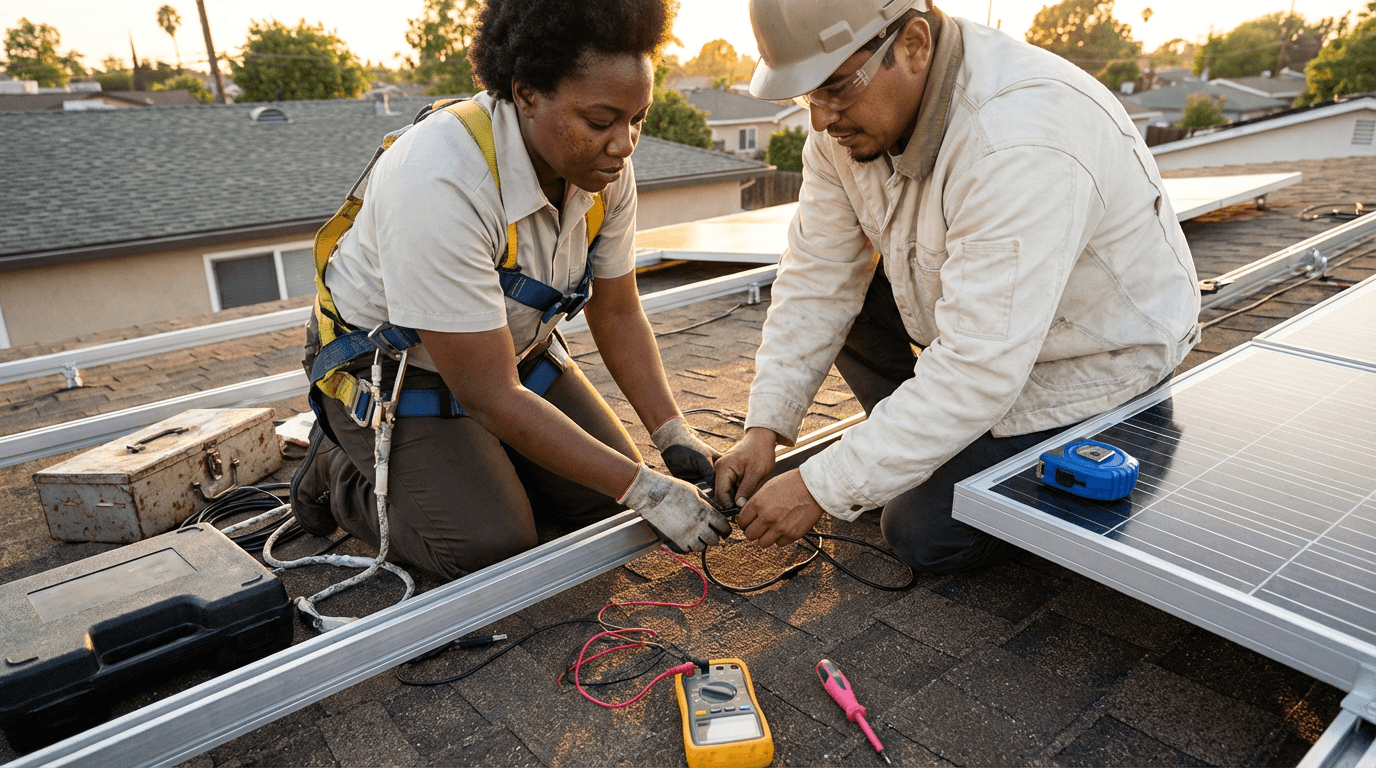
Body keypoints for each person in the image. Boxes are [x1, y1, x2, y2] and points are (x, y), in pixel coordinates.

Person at [714, 0, 1201, 573]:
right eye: (805, 96)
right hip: (993, 337)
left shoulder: (1019, 138)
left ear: (915, 45)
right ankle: (919, 449)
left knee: (919, 535)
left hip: (1091, 366)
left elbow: (978, 363)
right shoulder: (845, 126)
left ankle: (928, 456)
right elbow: (814, 278)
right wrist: (764, 428)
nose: (820, 119)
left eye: (836, 88)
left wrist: (822, 487)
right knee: (849, 304)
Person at [290, 0, 730, 581]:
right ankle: (334, 470)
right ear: (526, 94)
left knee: (600, 504)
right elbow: (490, 394)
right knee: (492, 545)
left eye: (637, 119)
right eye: (601, 121)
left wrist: (672, 434)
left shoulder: (603, 174)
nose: (624, 144)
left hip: (513, 352)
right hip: (400, 370)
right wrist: (646, 489)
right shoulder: (441, 176)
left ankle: (480, 470)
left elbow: (619, 313)